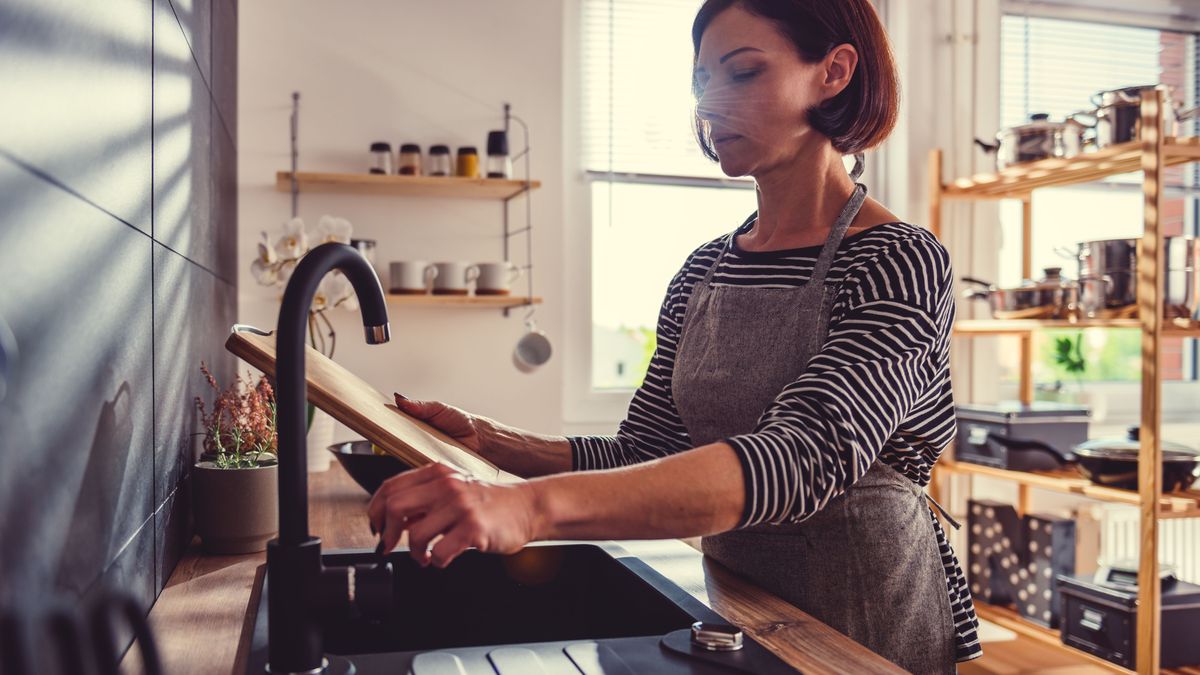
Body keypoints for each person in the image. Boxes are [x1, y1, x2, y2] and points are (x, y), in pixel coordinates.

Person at [366, 1, 980, 672]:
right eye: (703, 80)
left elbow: (805, 456)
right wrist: (493, 443)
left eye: (743, 73)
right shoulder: (703, 269)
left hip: (862, 629)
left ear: (833, 72)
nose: (711, 104)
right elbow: (648, 448)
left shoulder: (900, 260)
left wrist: (530, 507)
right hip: (741, 608)